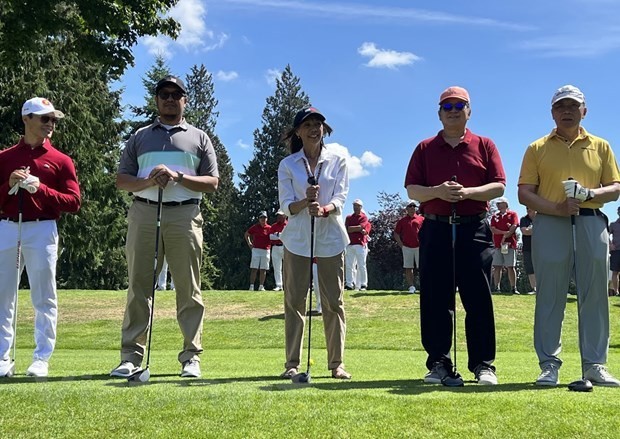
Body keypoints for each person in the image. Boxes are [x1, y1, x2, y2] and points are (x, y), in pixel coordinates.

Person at [111, 75, 219, 379]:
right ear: (157, 100)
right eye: (164, 94)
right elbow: (122, 180)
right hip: (144, 212)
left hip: (184, 214)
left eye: (176, 94)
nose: (170, 99)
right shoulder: (140, 136)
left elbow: (212, 182)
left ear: (184, 100)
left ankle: (191, 357)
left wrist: (177, 176)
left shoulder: (199, 137)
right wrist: (149, 180)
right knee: (139, 286)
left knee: (188, 287)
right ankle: (130, 356)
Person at [518, 84, 620, 387]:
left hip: (591, 222)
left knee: (595, 296)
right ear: (552, 112)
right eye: (560, 106)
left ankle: (595, 364)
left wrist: (589, 193)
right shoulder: (537, 148)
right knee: (550, 295)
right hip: (551, 222)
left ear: (583, 111)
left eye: (573, 106)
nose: (566, 111)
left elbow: (615, 187)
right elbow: (524, 193)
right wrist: (556, 208)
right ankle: (549, 364)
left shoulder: (600, 145)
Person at [405, 86, 505, 386]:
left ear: (469, 110)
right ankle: (438, 362)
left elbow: (498, 186)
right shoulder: (424, 148)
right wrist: (437, 191)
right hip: (435, 227)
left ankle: (483, 365)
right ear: (439, 113)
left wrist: (467, 193)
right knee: (436, 298)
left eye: (459, 105)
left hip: (473, 228)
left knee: (478, 298)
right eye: (446, 106)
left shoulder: (485, 144)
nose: (453, 111)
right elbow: (412, 189)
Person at [0, 97, 81, 378]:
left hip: (43, 229)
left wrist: (40, 190)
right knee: (3, 295)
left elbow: (73, 202)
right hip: (8, 227)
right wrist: (7, 185)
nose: (50, 124)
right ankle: (2, 357)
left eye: (53, 120)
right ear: (26, 119)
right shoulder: (5, 157)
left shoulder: (61, 161)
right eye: (45, 119)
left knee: (44, 296)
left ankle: (41, 358)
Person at [278, 106, 351, 380]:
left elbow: (341, 197)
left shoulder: (338, 159)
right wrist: (304, 202)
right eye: (307, 124)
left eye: (318, 124)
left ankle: (337, 364)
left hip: (331, 236)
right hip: (297, 238)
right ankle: (292, 364)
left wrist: (324, 208)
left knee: (334, 302)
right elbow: (286, 206)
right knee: (294, 301)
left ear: (324, 129)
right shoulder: (288, 165)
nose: (313, 129)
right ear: (298, 131)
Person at [490, 197, 520, 294]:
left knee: (510, 266)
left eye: (500, 203)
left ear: (506, 204)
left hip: (510, 244)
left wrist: (507, 234)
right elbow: (493, 229)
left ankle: (513, 288)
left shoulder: (513, 214)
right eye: (497, 203)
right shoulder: (495, 216)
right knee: (497, 266)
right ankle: (496, 287)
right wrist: (504, 233)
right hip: (498, 245)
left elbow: (514, 226)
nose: (498, 205)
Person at [394, 201, 424, 293]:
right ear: (406, 208)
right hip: (407, 247)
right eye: (410, 206)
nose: (412, 208)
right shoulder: (402, 221)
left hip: (420, 247)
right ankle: (411, 287)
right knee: (408, 267)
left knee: (422, 267)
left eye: (413, 206)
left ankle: (423, 286)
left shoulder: (421, 219)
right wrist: (401, 245)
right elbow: (396, 233)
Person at [344, 199, 371, 291]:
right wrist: (358, 229)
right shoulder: (348, 217)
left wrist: (356, 228)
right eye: (354, 205)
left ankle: (363, 284)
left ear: (361, 207)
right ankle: (349, 284)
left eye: (358, 206)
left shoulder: (364, 217)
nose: (356, 207)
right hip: (350, 243)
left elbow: (362, 227)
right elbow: (347, 229)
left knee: (361, 265)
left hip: (360, 243)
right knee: (349, 265)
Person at [245, 211, 271, 291]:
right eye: (261, 218)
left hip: (266, 250)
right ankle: (252, 286)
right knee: (254, 268)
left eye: (264, 218)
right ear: (259, 219)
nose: (263, 219)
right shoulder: (255, 227)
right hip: (256, 249)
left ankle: (261, 286)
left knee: (263, 269)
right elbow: (247, 234)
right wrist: (249, 243)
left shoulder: (269, 228)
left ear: (267, 219)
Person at [519, 207, 537, 295]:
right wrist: (538, 230)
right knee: (530, 268)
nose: (528, 209)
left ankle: (544, 288)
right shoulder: (524, 219)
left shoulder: (541, 218)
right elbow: (525, 232)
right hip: (527, 248)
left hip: (540, 247)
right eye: (527, 208)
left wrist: (531, 230)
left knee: (541, 268)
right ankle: (534, 289)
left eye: (530, 207)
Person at [270, 210, 287, 291]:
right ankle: (279, 285)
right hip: (275, 247)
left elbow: (288, 236)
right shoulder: (274, 226)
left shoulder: (288, 225)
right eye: (278, 216)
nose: (279, 217)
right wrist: (280, 235)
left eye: (280, 216)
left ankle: (287, 285)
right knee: (277, 267)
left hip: (285, 247)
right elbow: (271, 237)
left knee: (287, 267)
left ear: (285, 216)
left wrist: (277, 234)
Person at [609, 207, 620, 297]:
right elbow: (605, 234)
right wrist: (610, 245)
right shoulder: (613, 224)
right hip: (616, 251)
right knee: (615, 272)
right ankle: (616, 291)